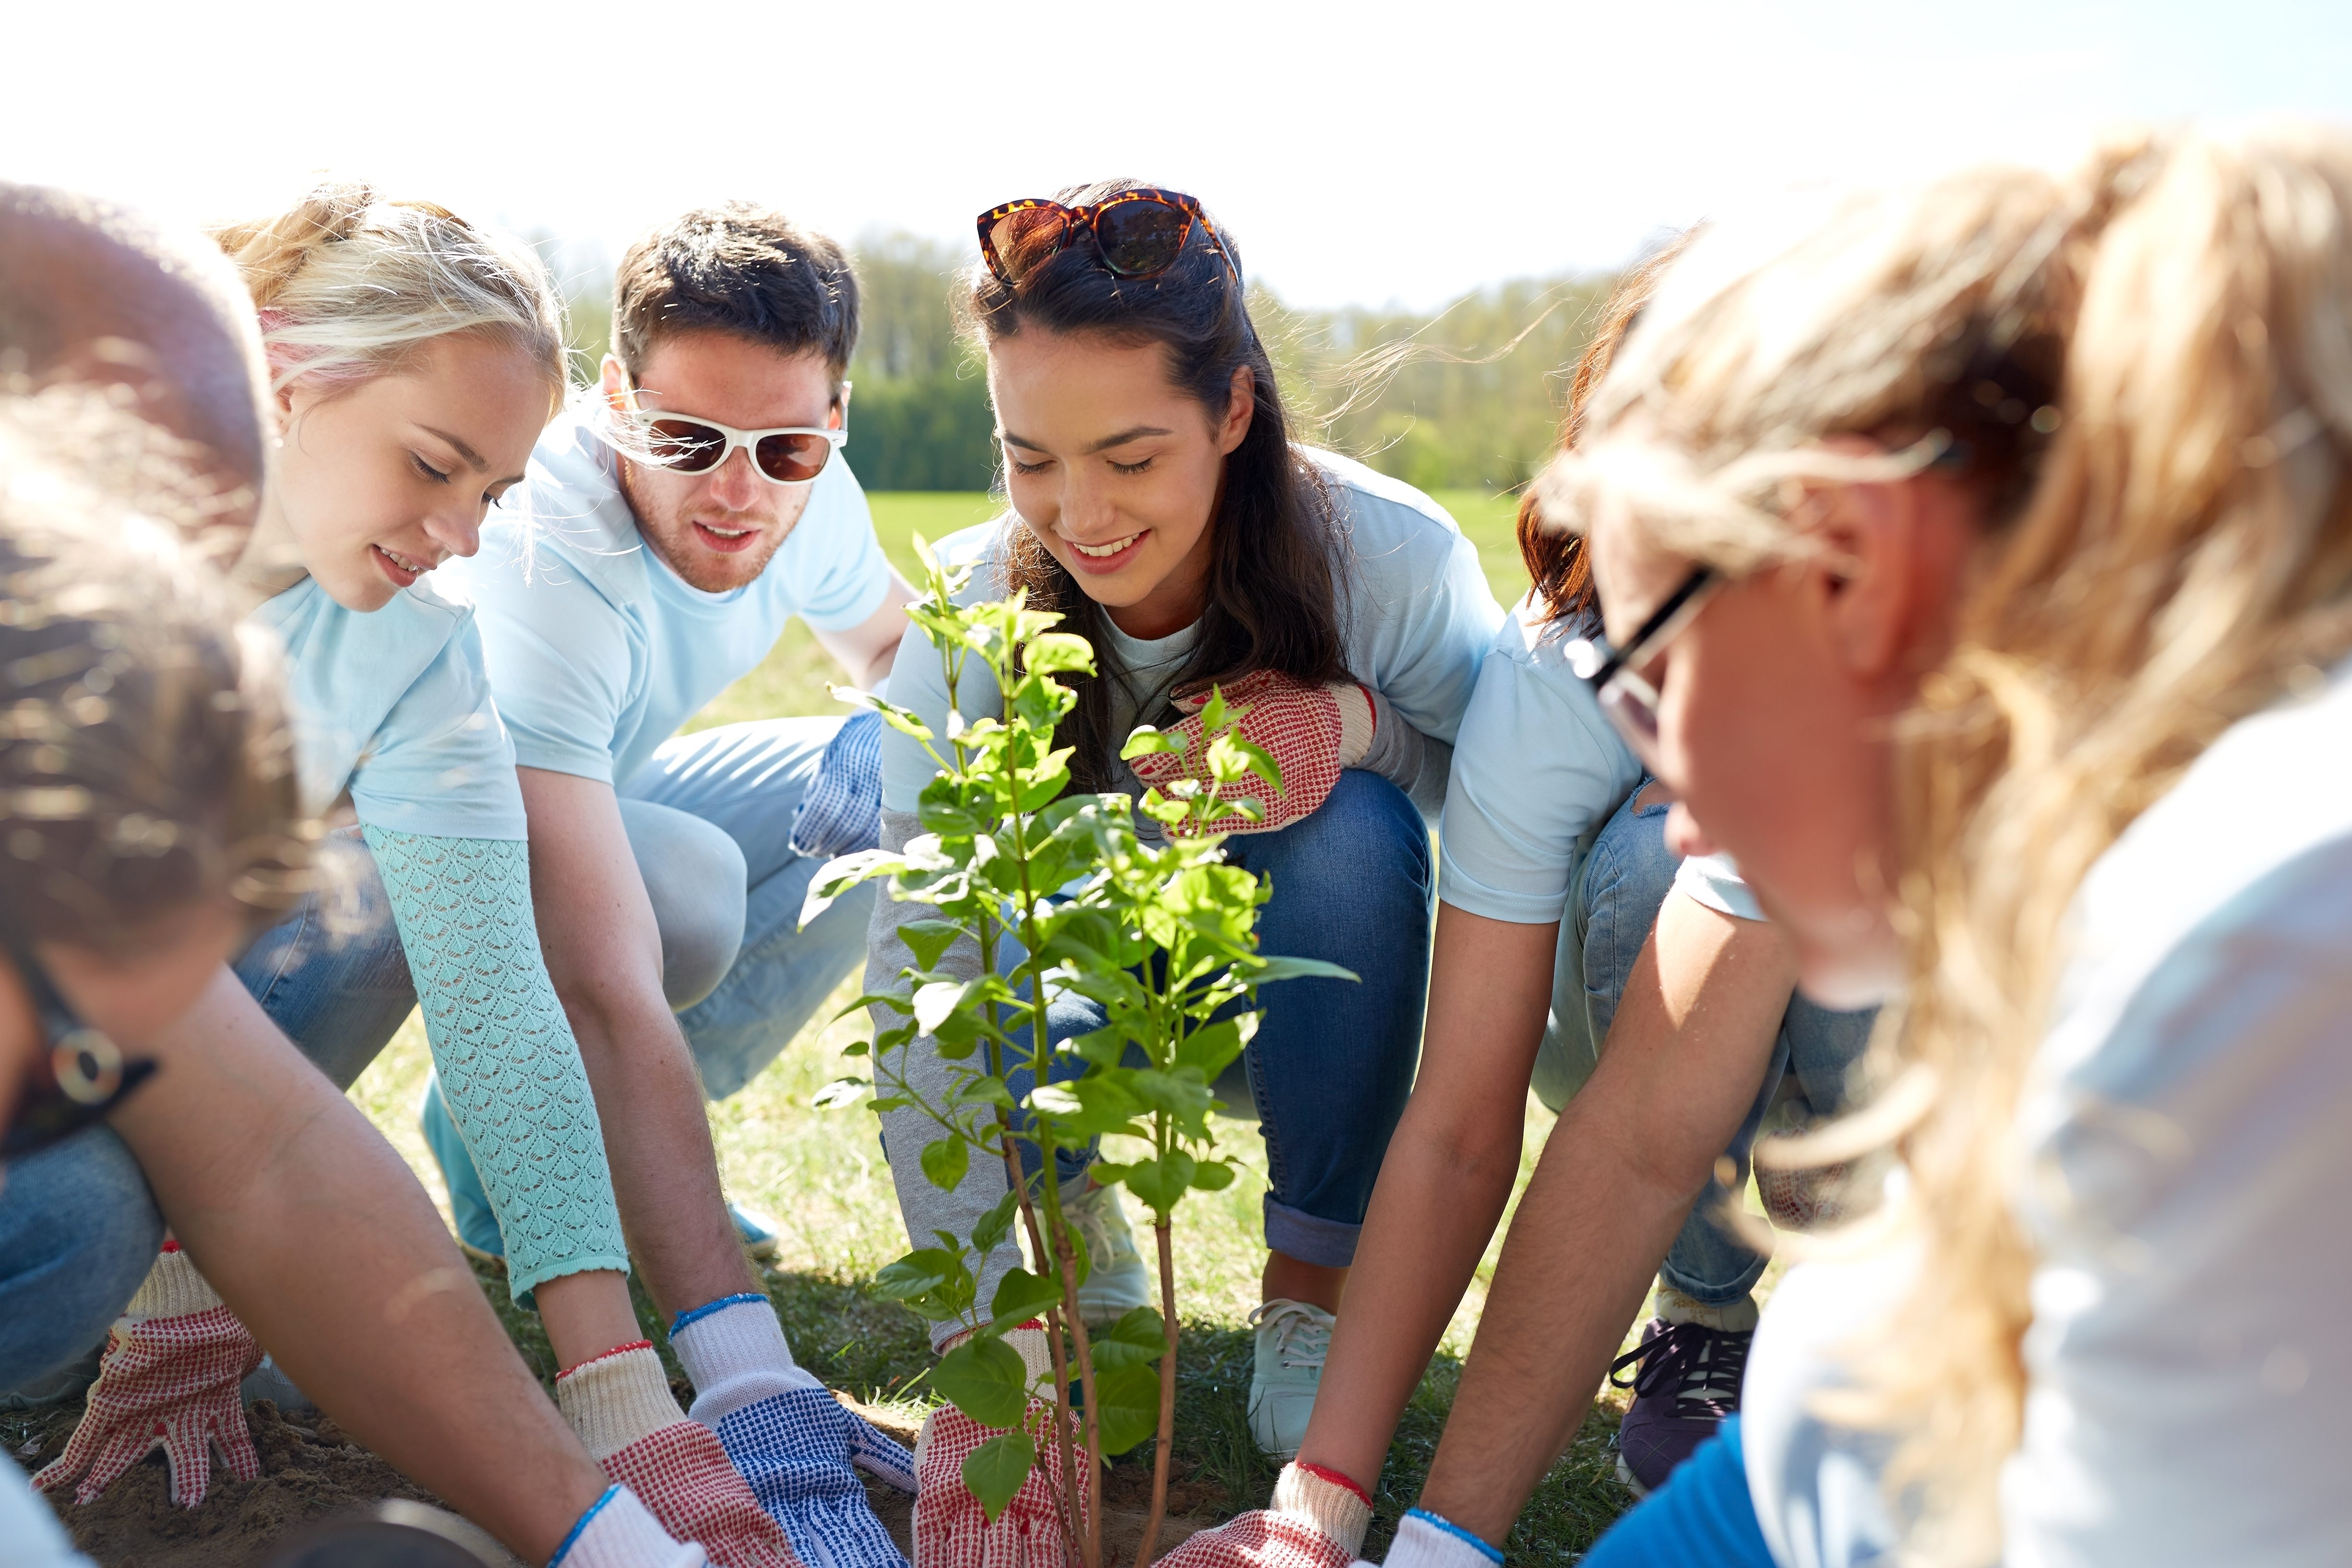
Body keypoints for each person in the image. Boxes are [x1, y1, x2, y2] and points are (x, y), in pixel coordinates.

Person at [1508, 125, 2351, 1567]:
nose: (1671, 790)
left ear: (1853, 564)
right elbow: (1813, 1468)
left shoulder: (2257, 956)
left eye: (1649, 669)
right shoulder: (2094, 903)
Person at [4, 180, 790, 1567]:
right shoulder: (63, 593)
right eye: (433, 467)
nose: (461, 533)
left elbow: (469, 1009)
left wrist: (615, 1413)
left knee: (91, 1214)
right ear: (282, 374)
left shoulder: (412, 644)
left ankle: (177, 1261)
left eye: (491, 493)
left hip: (114, 1046)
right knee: (72, 1224)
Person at [1144, 242, 1880, 1568]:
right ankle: (1731, 1322)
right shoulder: (1702, 708)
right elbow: (1632, 1138)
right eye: (1641, 681)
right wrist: (1369, 1527)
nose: (1682, 764)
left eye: (1704, 669)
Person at [866, 180, 1501, 1563]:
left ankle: (1309, 1290)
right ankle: (1065, 1241)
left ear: (1232, 414)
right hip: (1094, 1011)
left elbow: (1505, 796)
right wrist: (990, 1339)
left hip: (1318, 991)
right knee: (995, 910)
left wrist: (1347, 726)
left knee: (1353, 828)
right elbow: (925, 956)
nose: (1079, 513)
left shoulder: (1389, 556)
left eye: (1132, 456)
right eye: (1029, 457)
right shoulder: (975, 611)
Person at [434, 199, 920, 1562]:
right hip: (428, 863)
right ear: (612, 401)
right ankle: (561, 1176)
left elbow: (900, 656)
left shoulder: (802, 491)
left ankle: (608, 1167)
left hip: (598, 798)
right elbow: (596, 981)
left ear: (833, 418)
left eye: (788, 445)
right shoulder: (550, 561)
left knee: (894, 783)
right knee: (683, 902)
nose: (738, 489)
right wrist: (743, 1359)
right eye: (687, 439)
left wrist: (907, 733)